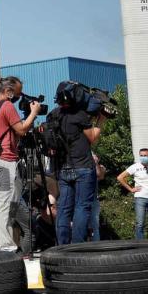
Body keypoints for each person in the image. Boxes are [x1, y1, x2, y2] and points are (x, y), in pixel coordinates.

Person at [0, 76, 41, 252]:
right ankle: (7, 247)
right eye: (18, 94)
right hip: (5, 160)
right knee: (6, 203)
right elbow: (21, 130)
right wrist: (33, 113)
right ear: (8, 91)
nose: (19, 98)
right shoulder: (7, 106)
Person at [53, 95, 107, 245]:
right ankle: (77, 244)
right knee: (82, 207)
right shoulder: (79, 115)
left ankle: (62, 244)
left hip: (63, 167)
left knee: (64, 208)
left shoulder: (55, 114)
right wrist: (101, 120)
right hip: (82, 166)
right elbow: (92, 138)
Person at [117, 148, 148, 240]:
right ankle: (139, 245)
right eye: (141, 155)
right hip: (140, 198)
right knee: (140, 224)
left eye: (145, 155)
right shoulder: (134, 167)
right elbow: (120, 177)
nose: (143, 157)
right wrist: (131, 189)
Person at [90, 152, 107, 241]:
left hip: (94, 200)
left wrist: (95, 163)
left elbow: (99, 175)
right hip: (80, 200)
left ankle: (96, 244)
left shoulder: (101, 167)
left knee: (95, 225)